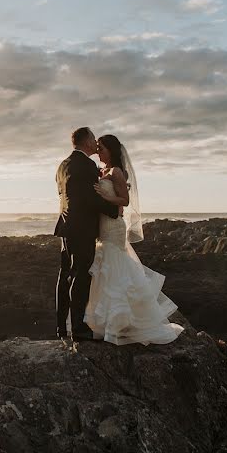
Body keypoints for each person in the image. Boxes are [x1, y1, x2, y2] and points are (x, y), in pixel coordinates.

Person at [86, 134, 184, 346]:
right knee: (106, 270)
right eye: (97, 148)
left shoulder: (116, 172)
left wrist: (105, 198)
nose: (98, 151)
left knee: (115, 268)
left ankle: (120, 325)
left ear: (111, 150)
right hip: (102, 227)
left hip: (113, 228)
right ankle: (107, 324)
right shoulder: (101, 171)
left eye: (101, 147)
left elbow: (125, 200)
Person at [54, 127, 121, 342]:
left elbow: (66, 197)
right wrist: (113, 211)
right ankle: (79, 329)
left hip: (66, 227)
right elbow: (89, 198)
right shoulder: (87, 165)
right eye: (93, 139)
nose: (96, 142)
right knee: (81, 276)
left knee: (65, 276)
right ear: (86, 141)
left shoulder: (63, 165)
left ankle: (61, 328)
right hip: (82, 228)